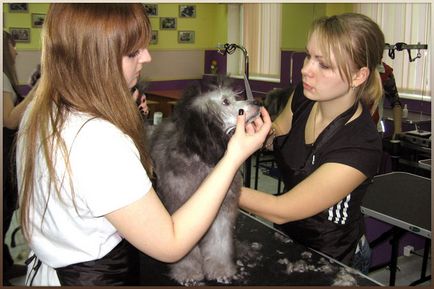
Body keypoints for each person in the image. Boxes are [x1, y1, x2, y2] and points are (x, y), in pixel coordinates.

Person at [15, 4, 271, 286]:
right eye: (133, 52)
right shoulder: (97, 140)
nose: (147, 57)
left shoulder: (40, 111)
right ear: (95, 58)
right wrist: (233, 157)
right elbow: (171, 242)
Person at [239, 13, 384, 274]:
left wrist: (214, 186)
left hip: (335, 257)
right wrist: (260, 135)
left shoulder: (360, 145)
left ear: (358, 76)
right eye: (308, 56)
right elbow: (278, 134)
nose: (306, 69)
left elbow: (281, 209)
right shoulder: (304, 96)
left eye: (324, 65)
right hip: (288, 240)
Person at [2, 30, 34, 284]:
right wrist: (39, 90)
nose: (17, 51)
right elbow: (10, 120)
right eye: (13, 46)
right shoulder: (1, 77)